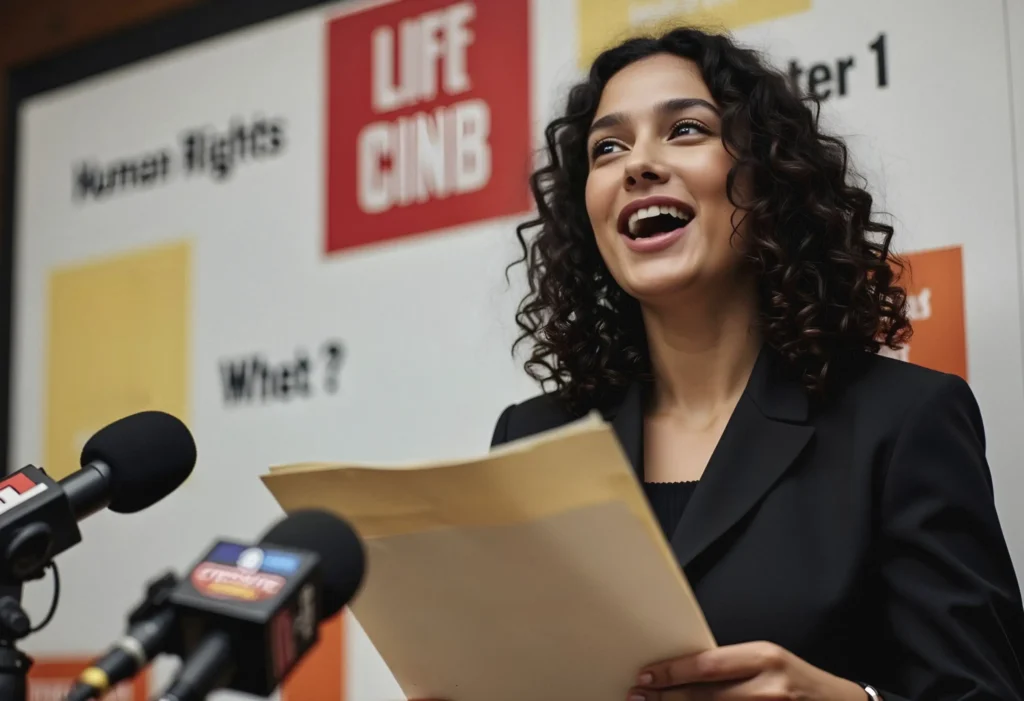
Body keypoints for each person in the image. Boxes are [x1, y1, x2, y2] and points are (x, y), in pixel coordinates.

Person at [486, 26, 1024, 701]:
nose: (637, 164)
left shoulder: (902, 421)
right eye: (608, 147)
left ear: (768, 176)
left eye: (685, 130)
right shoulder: (529, 440)